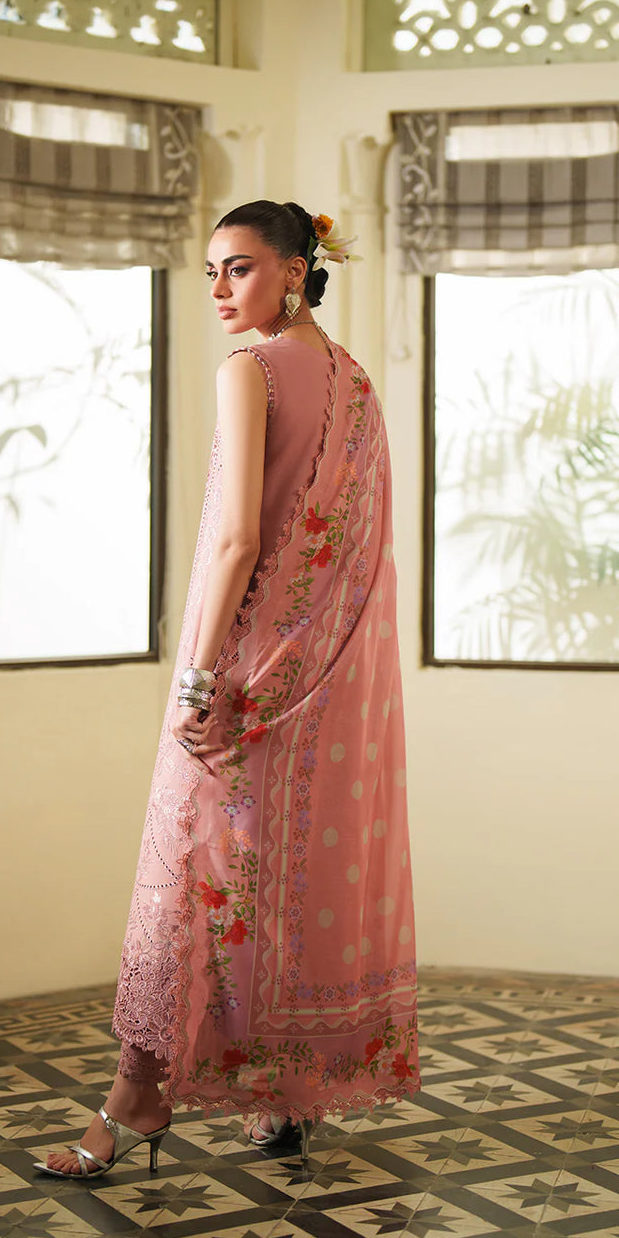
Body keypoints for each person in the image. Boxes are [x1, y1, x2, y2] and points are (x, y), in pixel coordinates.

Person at [36, 199, 418, 1179]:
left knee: (190, 885)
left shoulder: (250, 369)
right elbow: (355, 555)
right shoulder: (356, 381)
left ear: (294, 269)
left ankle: (135, 1102)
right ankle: (285, 1098)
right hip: (318, 688)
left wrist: (201, 679)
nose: (218, 288)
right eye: (211, 269)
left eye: (238, 267)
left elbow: (240, 538)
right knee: (289, 885)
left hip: (239, 680)